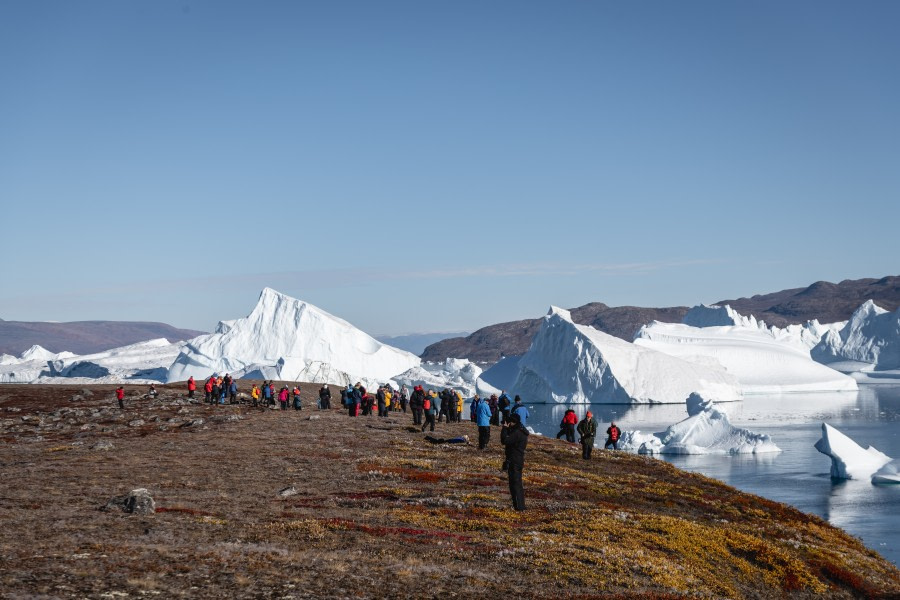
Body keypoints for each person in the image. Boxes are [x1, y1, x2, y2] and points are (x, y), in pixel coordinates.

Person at [500, 412, 529, 511]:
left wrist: (504, 428)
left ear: (513, 422)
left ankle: (519, 507)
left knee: (515, 484)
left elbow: (504, 440)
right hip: (517, 459)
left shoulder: (517, 433)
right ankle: (519, 505)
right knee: (516, 483)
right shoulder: (520, 430)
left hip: (514, 460)